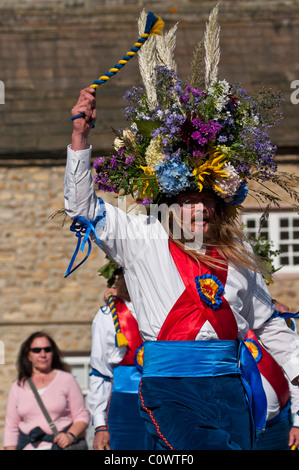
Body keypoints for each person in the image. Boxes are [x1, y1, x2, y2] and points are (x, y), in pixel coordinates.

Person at [63, 10, 299, 450]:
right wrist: (80, 136)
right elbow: (82, 207)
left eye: (208, 201)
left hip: (231, 389)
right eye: (190, 201)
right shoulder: (139, 237)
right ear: (168, 205)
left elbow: (266, 323)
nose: (200, 209)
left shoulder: (236, 255)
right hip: (171, 389)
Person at [88, 266, 155, 450]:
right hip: (126, 405)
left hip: (167, 399)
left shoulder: (167, 311)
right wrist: (100, 424)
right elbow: (99, 372)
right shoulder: (108, 316)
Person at [3, 331, 90, 450]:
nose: (43, 354)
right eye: (36, 350)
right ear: (28, 355)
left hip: (61, 447)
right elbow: (11, 427)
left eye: (47, 349)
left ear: (53, 353)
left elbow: (81, 416)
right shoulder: (18, 386)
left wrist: (70, 436)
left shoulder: (66, 379)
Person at [245, 301, 299, 450]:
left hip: (276, 426)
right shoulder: (216, 325)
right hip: (231, 427)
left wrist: (298, 422)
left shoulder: (276, 319)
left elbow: (292, 371)